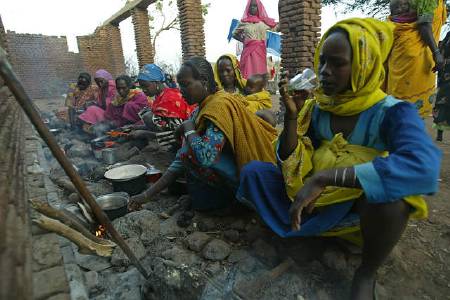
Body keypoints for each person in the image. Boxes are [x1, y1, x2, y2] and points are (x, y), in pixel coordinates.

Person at [237, 18, 441, 299]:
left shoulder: (391, 112)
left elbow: (424, 167)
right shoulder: (319, 107)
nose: (325, 72)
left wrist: (326, 177)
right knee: (254, 172)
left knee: (395, 201)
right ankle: (310, 234)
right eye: (322, 62)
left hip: (353, 207)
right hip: (307, 198)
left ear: (364, 63)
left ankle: (366, 272)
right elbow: (288, 159)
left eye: (337, 63)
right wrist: (293, 118)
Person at [128, 57, 277, 211]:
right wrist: (146, 195)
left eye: (185, 85)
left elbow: (206, 157)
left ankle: (238, 200)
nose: (181, 90)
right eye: (180, 85)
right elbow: (179, 160)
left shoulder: (218, 107)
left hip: (247, 175)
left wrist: (189, 130)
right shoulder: (202, 108)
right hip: (231, 170)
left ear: (204, 81)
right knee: (186, 152)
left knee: (191, 152)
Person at [386, 0, 447, 117]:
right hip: (413, 55)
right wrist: (436, 52)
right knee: (405, 111)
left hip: (411, 51)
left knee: (402, 109)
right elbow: (424, 26)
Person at [137, 64, 194, 132]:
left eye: (145, 86)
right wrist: (135, 128)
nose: (143, 90)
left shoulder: (169, 99)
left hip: (185, 136)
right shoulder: (160, 97)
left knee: (148, 116)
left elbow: (176, 130)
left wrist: (144, 133)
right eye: (141, 87)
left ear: (156, 82)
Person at [233, 0, 277, 79]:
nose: (252, 8)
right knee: (247, 76)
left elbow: (276, 27)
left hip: (260, 52)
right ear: (248, 8)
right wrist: (244, 41)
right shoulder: (243, 22)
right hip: (248, 53)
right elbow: (234, 34)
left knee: (259, 76)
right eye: (251, 6)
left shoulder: (264, 22)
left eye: (255, 6)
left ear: (259, 7)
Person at [433, 31, 450, 141]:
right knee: (441, 102)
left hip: (445, 72)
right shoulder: (448, 35)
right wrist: (437, 64)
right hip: (445, 74)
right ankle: (439, 134)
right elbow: (441, 50)